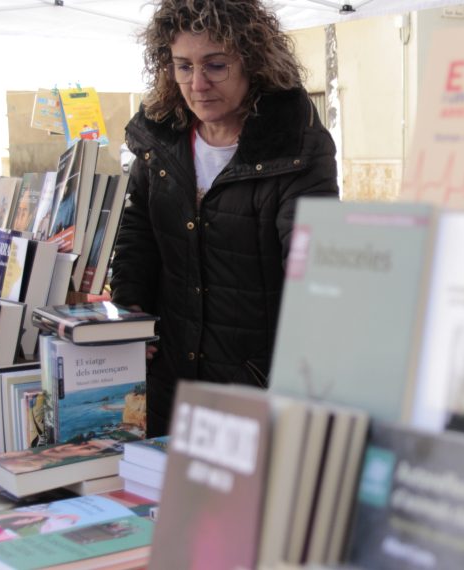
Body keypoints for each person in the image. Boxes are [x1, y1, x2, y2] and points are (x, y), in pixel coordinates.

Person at [112, 0, 339, 435]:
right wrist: (129, 306)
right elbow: (138, 228)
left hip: (254, 389)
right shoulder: (159, 139)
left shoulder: (296, 146)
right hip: (168, 387)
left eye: (215, 66)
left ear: (252, 61)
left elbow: (313, 267)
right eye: (183, 66)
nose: (197, 84)